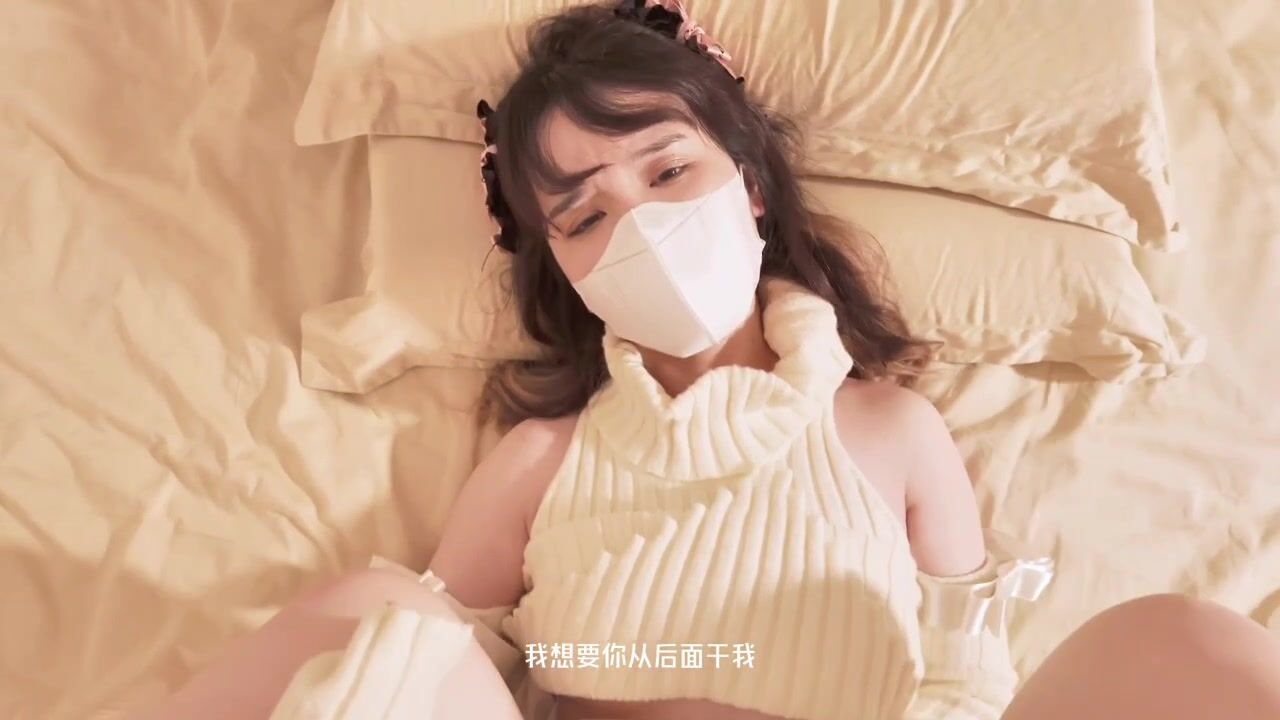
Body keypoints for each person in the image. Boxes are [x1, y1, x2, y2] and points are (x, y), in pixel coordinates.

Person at [139, 2, 1280, 719]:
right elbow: (433, 671)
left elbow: (964, 676)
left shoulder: (892, 433)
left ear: (751, 183)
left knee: (1181, 639)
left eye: (668, 172)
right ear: (564, 269)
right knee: (372, 607)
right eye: (584, 216)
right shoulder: (539, 461)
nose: (637, 225)